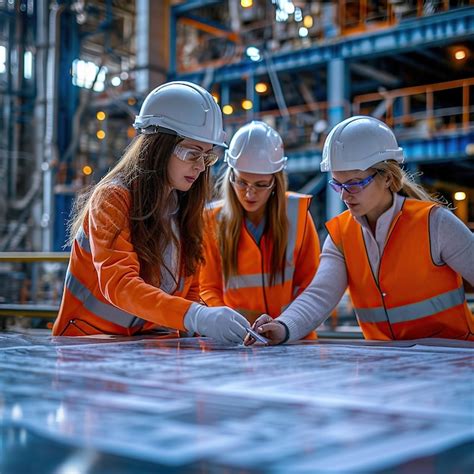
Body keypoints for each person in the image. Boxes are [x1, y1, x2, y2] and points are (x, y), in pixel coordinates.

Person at [246, 115, 474, 345]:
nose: (345, 195)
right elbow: (319, 296)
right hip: (388, 365)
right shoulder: (341, 236)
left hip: (452, 359)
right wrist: (283, 326)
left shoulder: (435, 224)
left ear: (387, 177)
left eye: (355, 183)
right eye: (338, 184)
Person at [52, 81, 250, 343]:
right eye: (192, 153)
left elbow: (188, 294)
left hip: (148, 348)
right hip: (88, 345)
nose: (201, 167)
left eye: (207, 156)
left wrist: (219, 321)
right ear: (159, 146)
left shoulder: (184, 210)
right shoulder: (112, 199)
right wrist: (198, 316)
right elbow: (119, 284)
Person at [199, 121, 320, 338]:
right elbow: (207, 287)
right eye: (242, 182)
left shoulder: (298, 216)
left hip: (293, 339)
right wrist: (227, 323)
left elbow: (311, 288)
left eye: (261, 185)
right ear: (230, 176)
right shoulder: (211, 220)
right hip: (236, 341)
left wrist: (285, 325)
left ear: (276, 182)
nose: (249, 194)